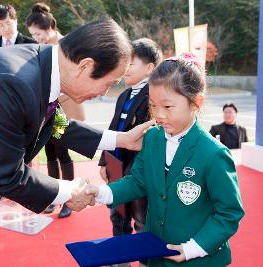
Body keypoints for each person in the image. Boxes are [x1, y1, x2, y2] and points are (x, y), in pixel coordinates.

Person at [0, 18, 154, 266]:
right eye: (109, 83)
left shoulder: (41, 66)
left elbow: (56, 125)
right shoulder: (11, 81)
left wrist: (122, 139)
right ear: (85, 66)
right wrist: (70, 190)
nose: (104, 93)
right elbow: (8, 176)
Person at [88, 54, 245, 267]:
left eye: (168, 106)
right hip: (156, 252)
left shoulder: (214, 154)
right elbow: (137, 180)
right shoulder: (153, 138)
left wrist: (192, 248)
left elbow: (229, 213)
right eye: (153, 106)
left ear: (196, 103)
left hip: (197, 260)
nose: (159, 115)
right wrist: (103, 193)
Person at [98, 38, 161, 267]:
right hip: (117, 167)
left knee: (142, 219)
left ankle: (146, 263)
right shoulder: (124, 95)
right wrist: (104, 162)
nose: (125, 69)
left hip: (138, 173)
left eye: (131, 63)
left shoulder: (155, 97)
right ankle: (120, 261)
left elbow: (150, 140)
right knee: (118, 216)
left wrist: (133, 173)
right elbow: (113, 128)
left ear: (149, 68)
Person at [26, 2, 86, 218]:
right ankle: (54, 197)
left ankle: (70, 198)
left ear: (50, 28)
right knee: (49, 150)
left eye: (39, 33)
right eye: (33, 35)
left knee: (62, 151)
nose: (36, 38)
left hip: (62, 106)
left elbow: (76, 79)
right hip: (46, 107)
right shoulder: (42, 47)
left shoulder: (65, 45)